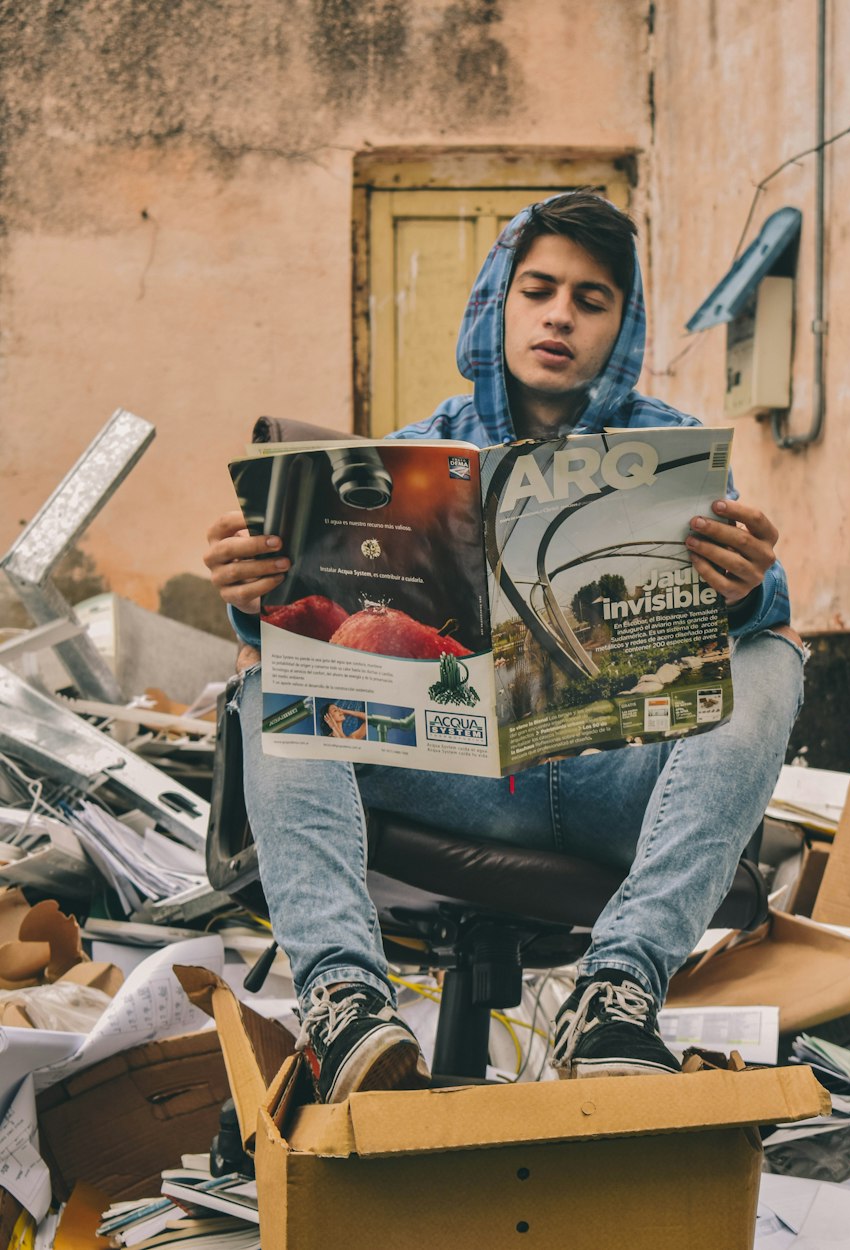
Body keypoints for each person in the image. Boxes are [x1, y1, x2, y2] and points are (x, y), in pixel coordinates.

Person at [204, 189, 806, 1103]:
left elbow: (758, 619)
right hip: (455, 778)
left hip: (624, 783)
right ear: (500, 303)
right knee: (269, 674)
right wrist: (259, 601)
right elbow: (314, 631)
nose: (561, 314)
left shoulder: (673, 454)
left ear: (621, 324)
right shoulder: (413, 456)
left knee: (776, 654)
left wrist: (749, 586)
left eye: (591, 299)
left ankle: (618, 994)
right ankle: (344, 1005)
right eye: (539, 289)